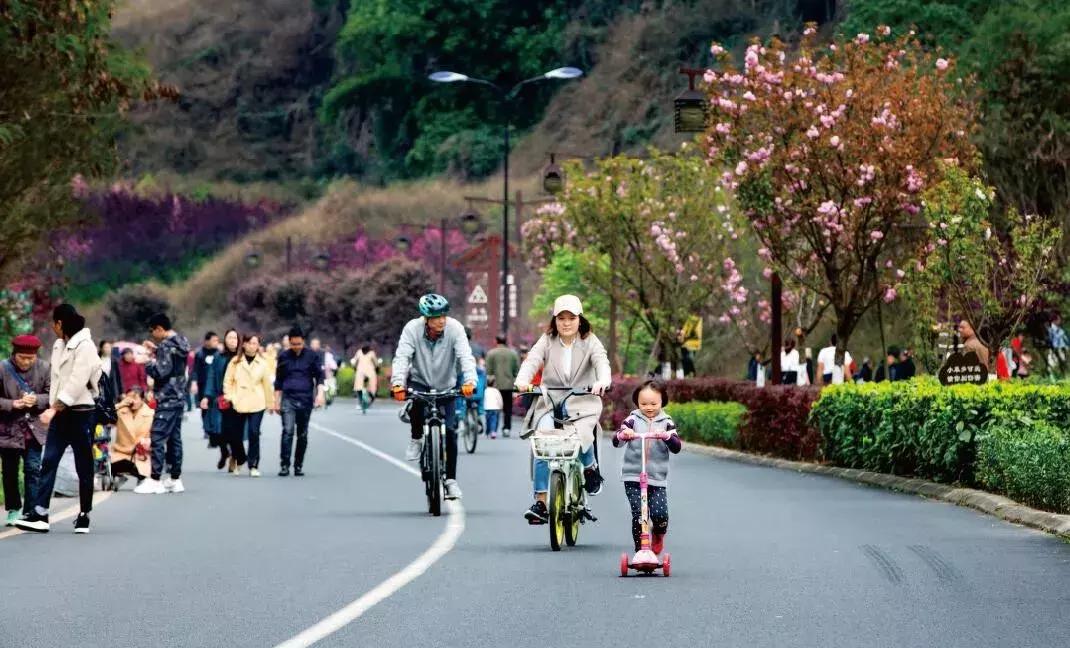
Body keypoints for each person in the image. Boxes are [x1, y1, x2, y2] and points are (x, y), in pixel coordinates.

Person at [515, 294, 612, 524]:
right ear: (554, 320)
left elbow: (602, 362)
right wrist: (522, 380)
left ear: (580, 319)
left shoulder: (590, 341)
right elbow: (532, 361)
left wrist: (602, 381)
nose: (566, 323)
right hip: (550, 401)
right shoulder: (547, 340)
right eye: (561, 318)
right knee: (542, 443)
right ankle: (540, 502)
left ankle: (590, 467)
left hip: (582, 401)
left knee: (582, 435)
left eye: (571, 318)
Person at [15, 305, 100, 534]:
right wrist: (54, 407)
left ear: (60, 323)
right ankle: (40, 513)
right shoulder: (58, 345)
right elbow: (57, 381)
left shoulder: (86, 346)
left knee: (84, 465)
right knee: (49, 461)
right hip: (60, 413)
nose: (52, 328)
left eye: (53, 323)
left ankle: (84, 515)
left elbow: (77, 382)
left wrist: (53, 409)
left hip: (81, 412)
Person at [390, 294, 476, 500]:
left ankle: (451, 480)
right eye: (437, 317)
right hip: (420, 381)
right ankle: (416, 438)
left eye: (444, 315)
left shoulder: (455, 329)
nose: (442, 320)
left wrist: (470, 381)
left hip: (447, 384)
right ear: (426, 318)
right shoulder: (412, 329)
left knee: (451, 430)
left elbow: (466, 356)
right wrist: (398, 383)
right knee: (416, 407)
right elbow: (402, 357)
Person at [613, 380, 682, 554]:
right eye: (643, 404)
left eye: (653, 403)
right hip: (633, 476)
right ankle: (641, 551)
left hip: (657, 478)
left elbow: (676, 447)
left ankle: (658, 534)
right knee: (639, 516)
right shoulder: (632, 420)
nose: (649, 407)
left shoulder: (667, 422)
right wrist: (624, 434)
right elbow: (616, 441)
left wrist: (666, 436)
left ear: (662, 402)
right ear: (637, 402)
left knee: (660, 515)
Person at [133, 313, 191, 495]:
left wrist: (147, 362)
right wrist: (156, 350)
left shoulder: (166, 345)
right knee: (174, 438)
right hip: (179, 395)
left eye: (152, 331)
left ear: (159, 329)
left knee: (157, 437)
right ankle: (175, 479)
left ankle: (155, 479)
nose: (152, 335)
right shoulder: (181, 341)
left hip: (166, 397)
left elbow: (161, 371)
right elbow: (173, 362)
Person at [0, 335, 50, 526]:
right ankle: (13, 508)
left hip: (34, 429)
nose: (27, 362)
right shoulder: (3, 368)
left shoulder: (45, 368)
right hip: (8, 429)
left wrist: (36, 400)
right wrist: (12, 404)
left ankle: (31, 511)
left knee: (33, 469)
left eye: (31, 358)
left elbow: (52, 395)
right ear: (14, 354)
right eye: (22, 357)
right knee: (10, 471)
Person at [273, 326, 325, 477]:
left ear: (303, 342)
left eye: (299, 344)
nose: (296, 347)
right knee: (288, 431)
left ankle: (298, 465)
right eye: (293, 344)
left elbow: (320, 377)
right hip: (288, 399)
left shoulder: (312, 356)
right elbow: (278, 381)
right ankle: (284, 465)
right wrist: (276, 401)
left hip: (305, 399)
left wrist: (320, 394)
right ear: (289, 342)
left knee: (302, 434)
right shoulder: (283, 356)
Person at [222, 333, 273, 477]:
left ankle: (254, 464)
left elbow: (267, 384)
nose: (252, 346)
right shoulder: (235, 362)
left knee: (254, 432)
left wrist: (270, 403)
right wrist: (229, 397)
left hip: (257, 401)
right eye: (249, 343)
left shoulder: (262, 363)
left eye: (255, 343)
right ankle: (240, 458)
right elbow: (228, 381)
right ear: (243, 344)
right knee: (235, 435)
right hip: (238, 401)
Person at [206, 329, 240, 473]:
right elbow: (211, 376)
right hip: (221, 398)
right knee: (218, 429)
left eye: (235, 338)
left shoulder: (242, 357)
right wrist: (207, 396)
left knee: (234, 430)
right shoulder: (218, 357)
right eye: (229, 337)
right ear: (225, 340)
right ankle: (224, 452)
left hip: (238, 398)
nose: (232, 340)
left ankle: (234, 457)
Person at [112, 387, 153, 490]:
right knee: (111, 464)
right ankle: (119, 476)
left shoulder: (150, 414)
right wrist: (120, 404)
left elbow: (157, 436)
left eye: (135, 398)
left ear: (142, 399)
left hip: (141, 454)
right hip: (121, 452)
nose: (132, 401)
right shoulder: (121, 411)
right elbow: (104, 415)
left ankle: (142, 478)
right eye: (129, 397)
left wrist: (148, 442)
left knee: (142, 469)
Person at [191, 331, 223, 448]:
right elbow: (195, 369)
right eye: (214, 340)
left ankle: (215, 430)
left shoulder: (219, 354)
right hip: (202, 385)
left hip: (214, 386)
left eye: (217, 340)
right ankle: (207, 428)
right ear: (207, 341)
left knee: (215, 408)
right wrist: (194, 382)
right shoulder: (199, 354)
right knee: (204, 407)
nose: (216, 342)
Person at [484, 335, 519, 437]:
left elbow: (488, 371)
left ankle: (493, 429)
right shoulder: (513, 354)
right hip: (509, 384)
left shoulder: (491, 353)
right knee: (508, 408)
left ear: (496, 341)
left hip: (495, 385)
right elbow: (516, 370)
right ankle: (506, 428)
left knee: (494, 407)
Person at [352, 344, 379, 412]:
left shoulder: (359, 352)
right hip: (370, 373)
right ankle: (369, 401)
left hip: (360, 373)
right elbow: (376, 364)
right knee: (372, 388)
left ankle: (360, 402)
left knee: (359, 388)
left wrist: (354, 368)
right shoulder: (372, 353)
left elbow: (354, 363)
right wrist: (377, 369)